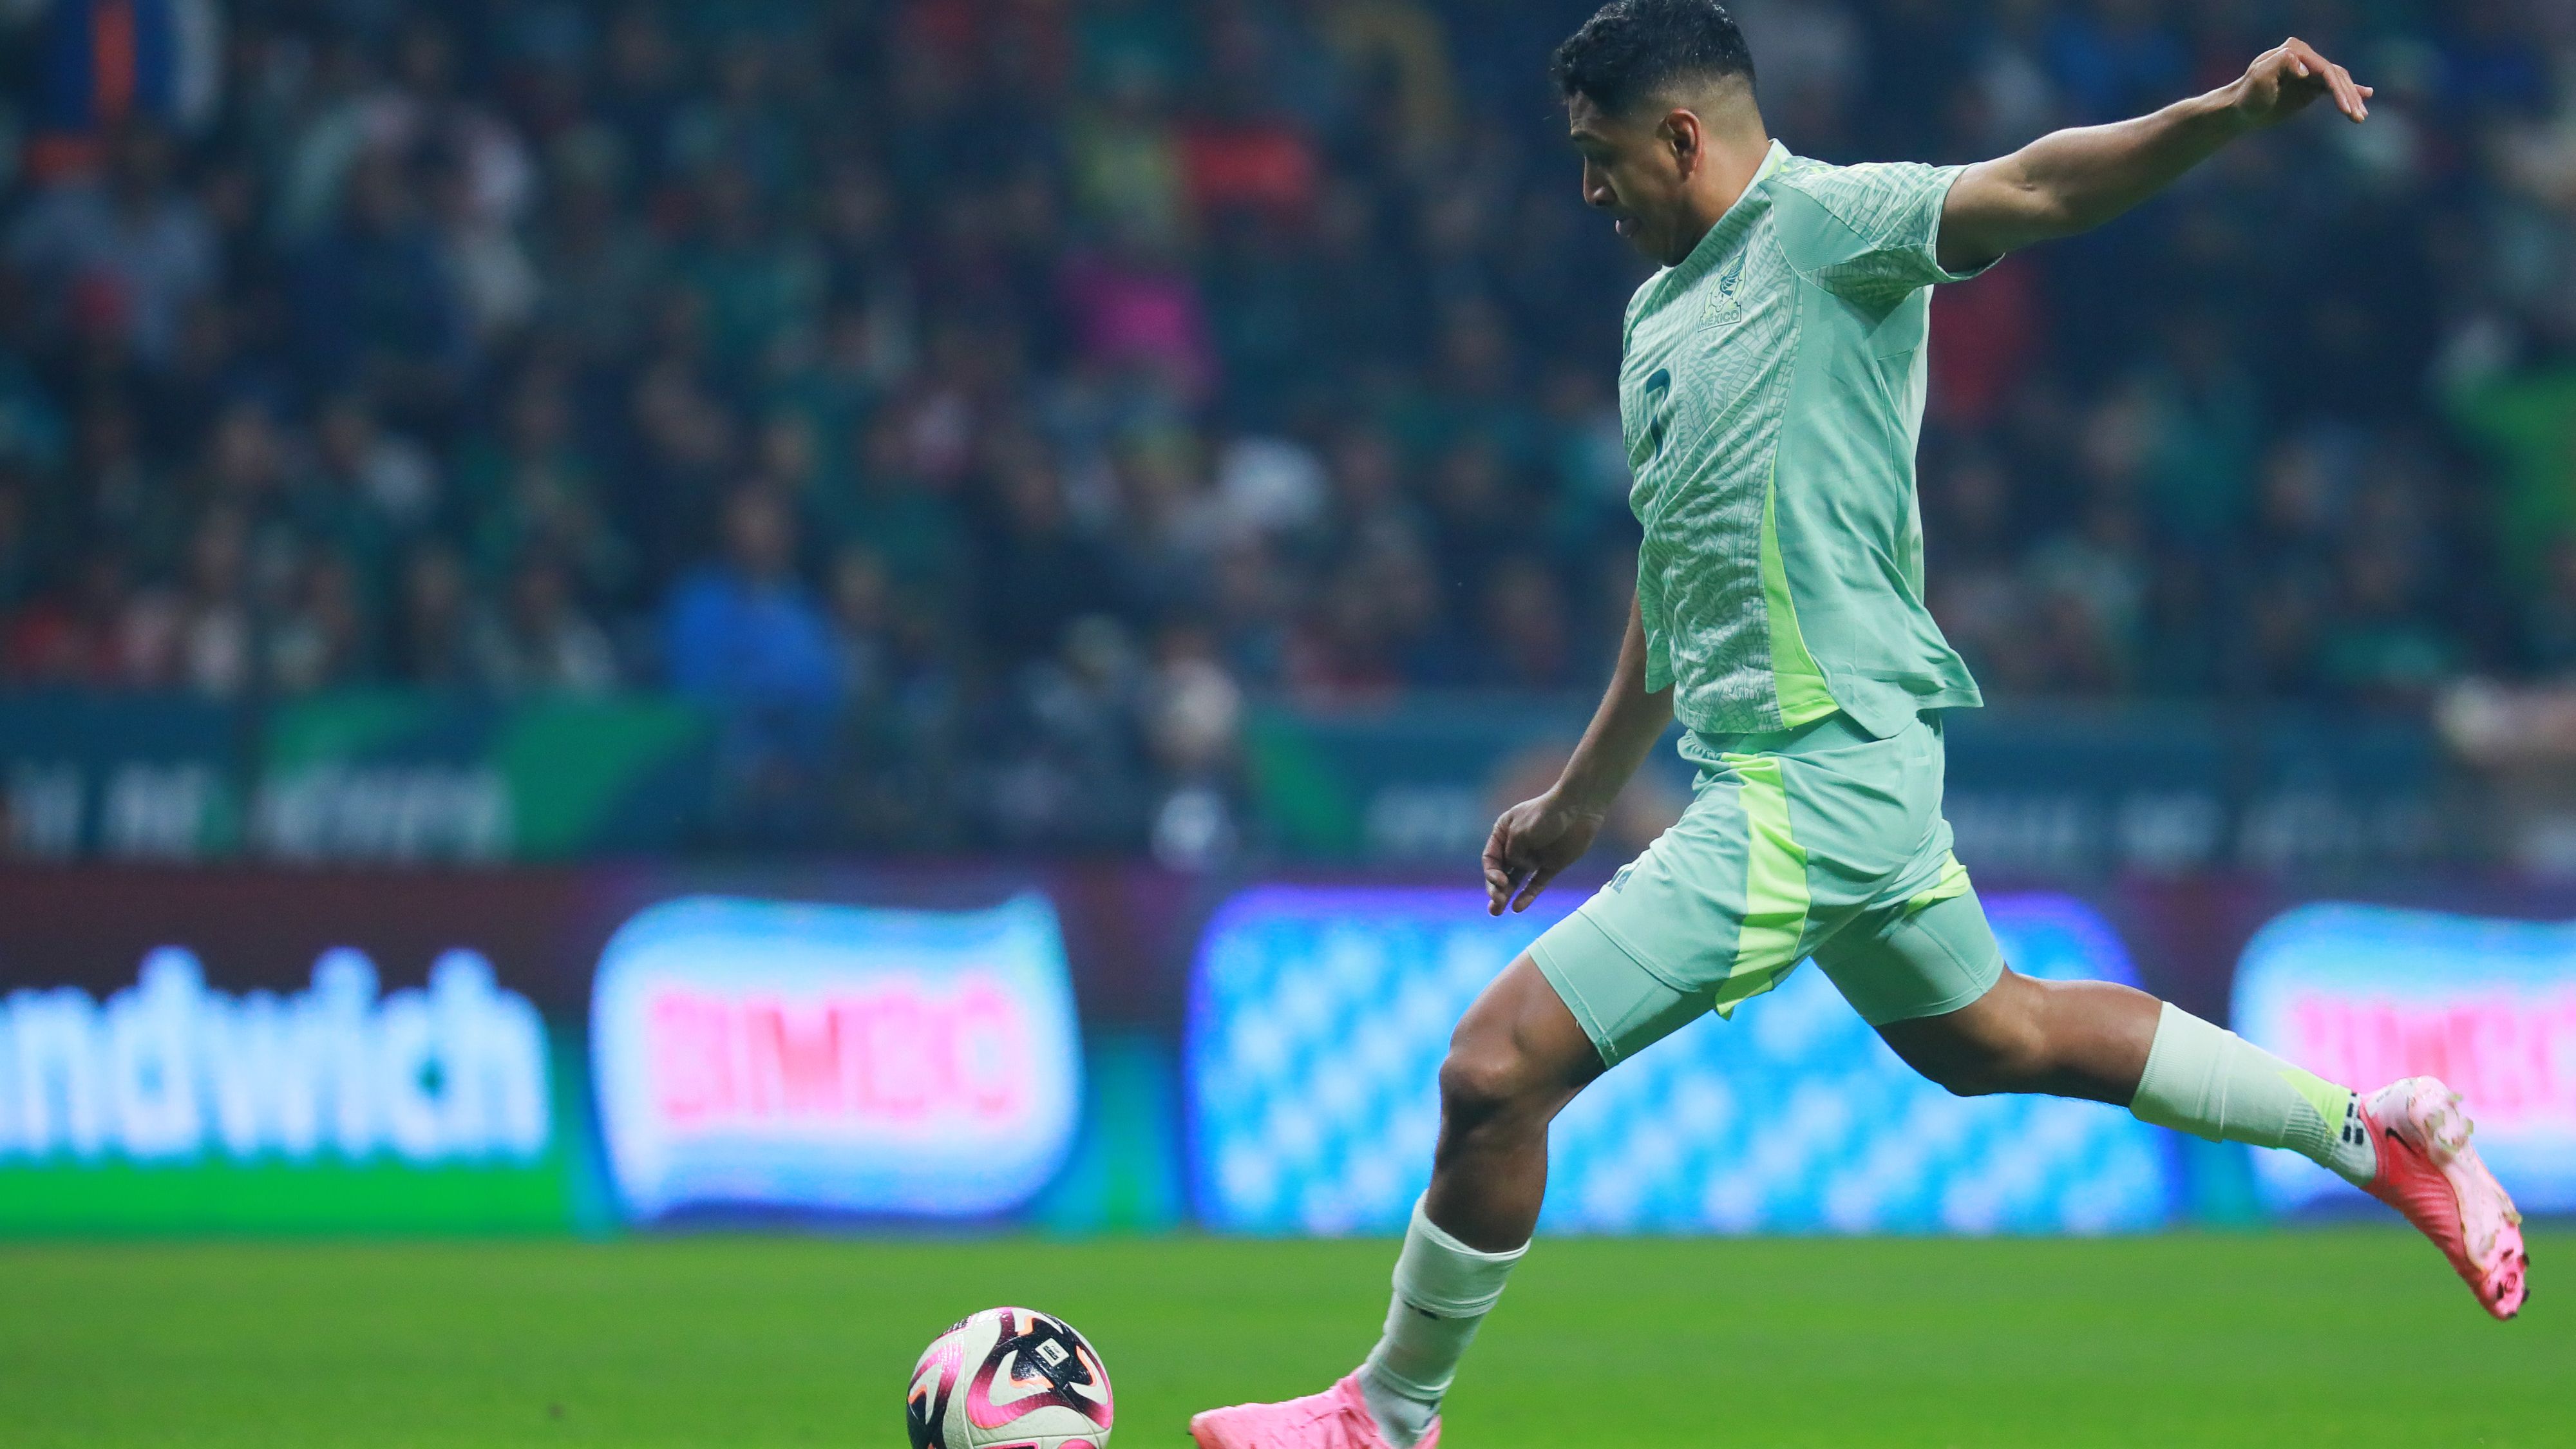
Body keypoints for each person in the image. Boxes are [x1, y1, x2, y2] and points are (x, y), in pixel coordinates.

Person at [1188, 6, 2524, 1448]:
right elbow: (1673, 574)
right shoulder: (1655, 321)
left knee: (1492, 1068)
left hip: (1814, 778)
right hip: (1815, 774)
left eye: (1598, 157)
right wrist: (1584, 793)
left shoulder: (1831, 227)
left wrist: (2221, 113)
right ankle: (2365, 1130)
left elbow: (2039, 183)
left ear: (1681, 137)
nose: (1589, 192)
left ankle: (1384, 1414)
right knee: (1995, 1034)